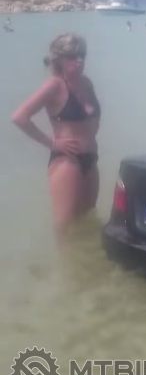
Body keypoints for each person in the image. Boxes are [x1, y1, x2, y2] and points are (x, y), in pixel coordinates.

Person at [11, 33, 101, 238]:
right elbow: (19, 117)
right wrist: (52, 143)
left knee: (88, 223)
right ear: (59, 59)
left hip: (91, 160)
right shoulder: (54, 85)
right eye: (73, 56)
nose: (79, 61)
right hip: (67, 162)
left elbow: (92, 120)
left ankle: (86, 260)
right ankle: (64, 260)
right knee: (65, 229)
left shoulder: (87, 83)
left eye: (83, 55)